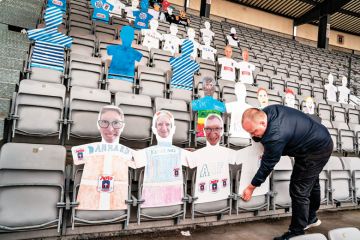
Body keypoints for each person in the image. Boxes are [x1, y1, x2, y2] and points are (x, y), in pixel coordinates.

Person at [241, 106, 333, 240]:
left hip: (316, 150)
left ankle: (297, 231)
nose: (253, 135)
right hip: (319, 139)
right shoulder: (268, 111)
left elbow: (267, 166)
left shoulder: (275, 135)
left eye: (254, 132)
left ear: (262, 123)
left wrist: (251, 187)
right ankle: (311, 217)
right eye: (249, 133)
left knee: (299, 190)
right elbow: (260, 134)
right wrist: (257, 136)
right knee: (311, 182)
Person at [71, 105, 135, 211]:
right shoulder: (85, 150)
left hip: (117, 206)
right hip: (88, 205)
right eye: (104, 122)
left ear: (122, 126)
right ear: (98, 125)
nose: (110, 129)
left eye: (116, 123)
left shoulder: (129, 154)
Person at [133, 110, 190, 208]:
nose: (164, 128)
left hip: (174, 204)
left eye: (167, 124)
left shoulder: (180, 152)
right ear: (154, 129)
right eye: (160, 124)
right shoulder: (146, 152)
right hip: (151, 204)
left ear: (173, 128)